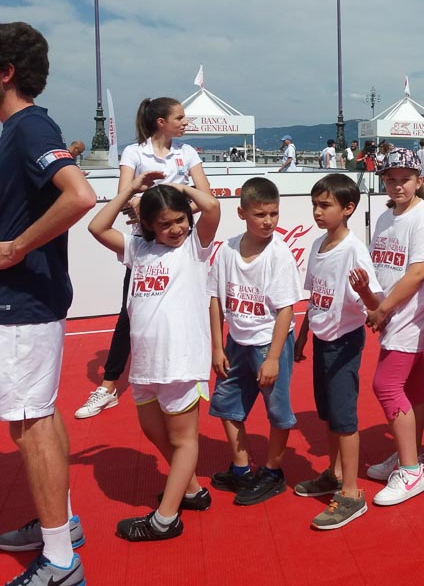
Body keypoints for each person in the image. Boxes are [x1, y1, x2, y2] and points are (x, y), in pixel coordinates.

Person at [0, 22, 96, 585]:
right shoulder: (25, 128)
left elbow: (80, 195)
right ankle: (60, 525)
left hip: (22, 302)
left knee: (29, 424)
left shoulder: (29, 126)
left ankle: (59, 560)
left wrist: (15, 247)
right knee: (41, 412)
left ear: (6, 73)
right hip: (31, 299)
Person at [88, 172, 221, 540]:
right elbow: (97, 227)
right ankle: (191, 490)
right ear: (147, 225)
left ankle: (166, 520)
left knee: (183, 440)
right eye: (165, 224)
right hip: (146, 363)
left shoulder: (194, 247)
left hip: (180, 361)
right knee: (152, 430)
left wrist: (178, 188)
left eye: (180, 219)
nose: (176, 229)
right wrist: (130, 190)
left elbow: (211, 206)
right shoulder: (138, 249)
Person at [75, 98, 211, 420]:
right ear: (161, 122)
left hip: (181, 246)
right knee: (131, 312)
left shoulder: (187, 153)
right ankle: (108, 386)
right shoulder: (134, 153)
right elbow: (126, 200)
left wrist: (169, 210)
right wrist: (149, 210)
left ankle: (184, 371)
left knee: (184, 306)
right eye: (180, 117)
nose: (186, 122)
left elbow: (206, 196)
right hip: (144, 246)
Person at [293, 174, 383, 529]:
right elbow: (315, 297)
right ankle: (333, 474)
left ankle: (351, 493)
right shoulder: (318, 244)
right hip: (321, 340)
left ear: (348, 208)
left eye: (325, 205)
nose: (317, 212)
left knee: (344, 418)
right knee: (329, 414)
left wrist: (365, 291)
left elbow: (375, 305)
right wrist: (303, 336)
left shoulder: (354, 250)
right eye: (314, 205)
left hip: (344, 342)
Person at [207, 178, 302, 505]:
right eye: (260, 214)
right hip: (236, 342)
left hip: (268, 343)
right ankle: (241, 468)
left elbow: (287, 310)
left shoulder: (279, 254)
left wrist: (273, 357)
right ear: (242, 213)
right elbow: (215, 299)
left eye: (274, 213)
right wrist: (217, 346)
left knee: (278, 411)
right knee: (226, 405)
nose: (268, 221)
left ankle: (273, 472)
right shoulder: (227, 250)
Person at [359, 148, 424, 507]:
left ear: (419, 180)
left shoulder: (422, 219)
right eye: (390, 179)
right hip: (392, 311)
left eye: (405, 179)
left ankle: (410, 471)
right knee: (413, 384)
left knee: (386, 385)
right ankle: (412, 454)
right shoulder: (386, 217)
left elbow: (418, 272)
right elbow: (380, 266)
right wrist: (374, 302)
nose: (397, 186)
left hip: (410, 314)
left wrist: (383, 309)